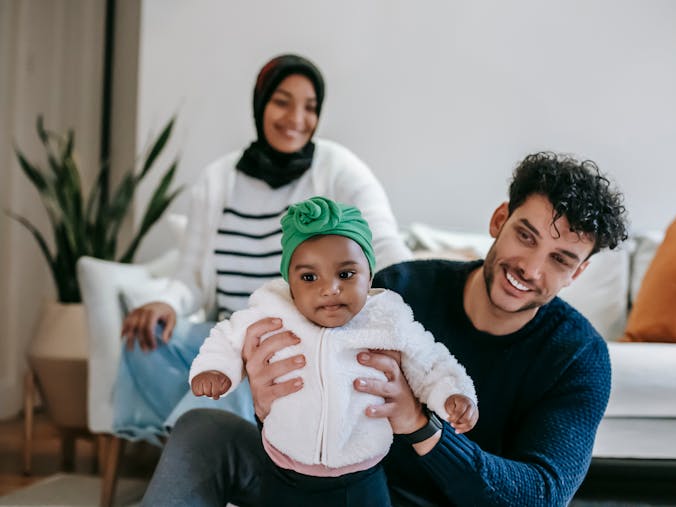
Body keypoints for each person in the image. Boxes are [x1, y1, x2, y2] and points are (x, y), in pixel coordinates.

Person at [141, 151, 629, 506]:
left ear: (578, 273)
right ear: (499, 219)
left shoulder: (578, 357)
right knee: (204, 430)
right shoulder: (399, 292)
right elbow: (314, 382)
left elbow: (539, 495)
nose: (531, 268)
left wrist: (420, 426)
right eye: (526, 236)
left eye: (560, 259)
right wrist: (268, 406)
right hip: (327, 485)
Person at [114, 54, 412, 443]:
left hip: (300, 337)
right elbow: (189, 277)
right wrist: (166, 303)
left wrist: (413, 297)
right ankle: (218, 433)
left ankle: (201, 443)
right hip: (228, 331)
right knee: (146, 340)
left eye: (310, 107)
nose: (296, 118)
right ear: (261, 103)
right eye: (282, 101)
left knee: (257, 363)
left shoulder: (339, 168)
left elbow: (386, 248)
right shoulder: (217, 180)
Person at [190, 196, 477, 506]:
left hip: (362, 476)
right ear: (290, 283)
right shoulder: (272, 310)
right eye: (309, 277)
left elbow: (430, 361)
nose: (329, 289)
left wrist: (452, 394)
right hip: (285, 470)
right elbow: (227, 336)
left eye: (346, 274)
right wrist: (215, 369)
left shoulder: (387, 319)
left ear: (369, 277)